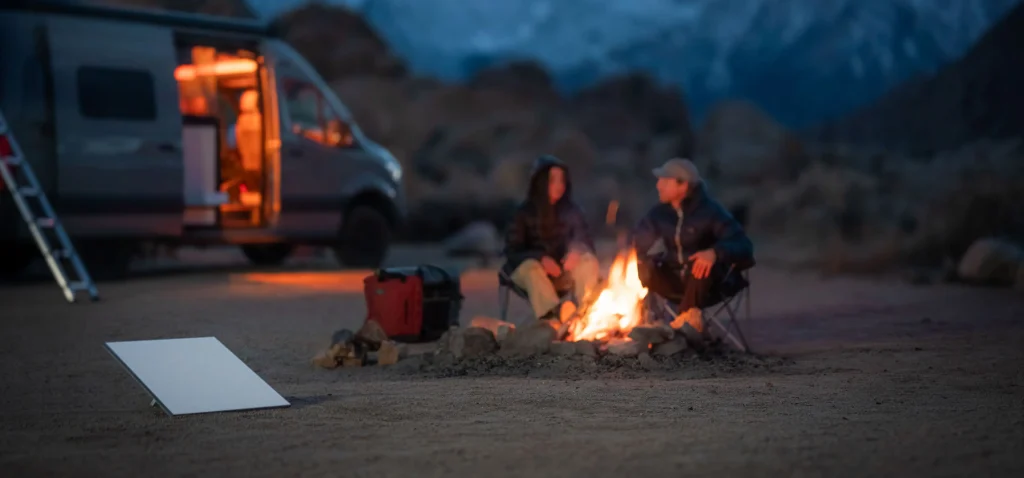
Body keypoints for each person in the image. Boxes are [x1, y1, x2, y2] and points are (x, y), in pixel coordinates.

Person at [633, 158, 755, 344]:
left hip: (709, 285)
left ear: (683, 185)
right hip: (673, 283)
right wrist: (647, 253)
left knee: (700, 264)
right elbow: (639, 241)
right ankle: (659, 324)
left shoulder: (711, 212)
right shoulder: (659, 214)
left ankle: (684, 324)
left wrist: (715, 253)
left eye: (665, 181)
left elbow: (743, 244)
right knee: (647, 264)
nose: (658, 185)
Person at [502, 155, 600, 322]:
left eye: (562, 180)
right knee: (531, 268)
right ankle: (552, 317)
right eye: (553, 180)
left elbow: (586, 240)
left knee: (588, 261)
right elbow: (512, 252)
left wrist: (577, 250)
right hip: (529, 272)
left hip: (562, 272)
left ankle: (588, 312)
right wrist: (540, 258)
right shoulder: (523, 213)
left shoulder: (572, 211)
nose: (559, 186)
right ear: (540, 182)